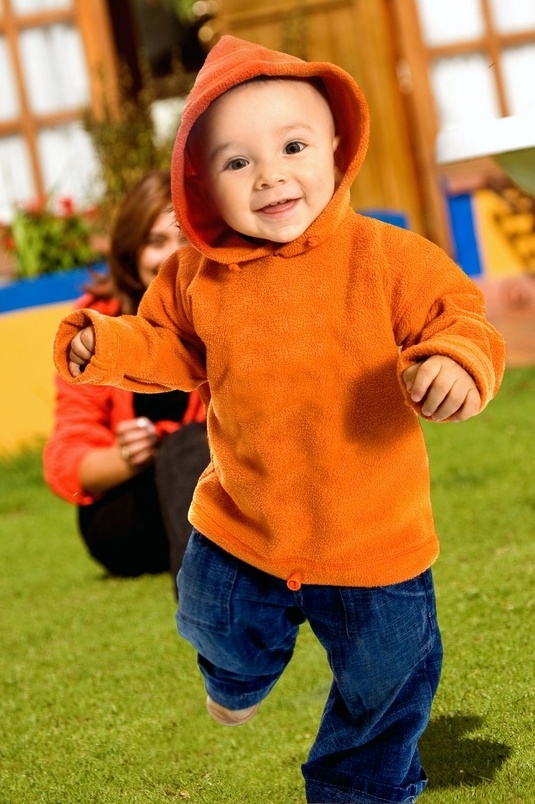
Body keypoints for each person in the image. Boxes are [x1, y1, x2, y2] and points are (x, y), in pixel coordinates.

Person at [53, 37, 506, 804]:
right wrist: (103, 343)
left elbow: (457, 317)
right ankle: (235, 671)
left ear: (334, 144)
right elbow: (165, 344)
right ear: (200, 182)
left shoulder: (386, 258)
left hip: (374, 536)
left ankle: (356, 790)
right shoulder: (195, 275)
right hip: (245, 524)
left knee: (389, 681)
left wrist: (455, 365)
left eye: (292, 145)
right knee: (212, 617)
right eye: (236, 162)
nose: (269, 176)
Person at [43, 169, 209, 587]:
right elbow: (67, 459)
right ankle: (203, 585)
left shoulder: (233, 309)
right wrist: (127, 456)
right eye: (157, 242)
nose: (175, 257)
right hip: (133, 515)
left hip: (231, 490)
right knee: (185, 447)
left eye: (187, 239)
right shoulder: (93, 329)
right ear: (132, 251)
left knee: (195, 445)